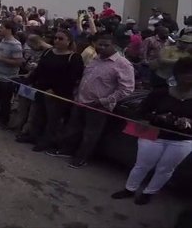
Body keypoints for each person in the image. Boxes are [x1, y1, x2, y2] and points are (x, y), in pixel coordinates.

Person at [111, 57, 192, 205]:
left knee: (166, 169)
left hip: (182, 140)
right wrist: (157, 117)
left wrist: (188, 122)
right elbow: (140, 112)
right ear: (177, 74)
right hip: (153, 134)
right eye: (185, 73)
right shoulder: (160, 93)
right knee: (142, 164)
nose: (189, 76)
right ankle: (130, 189)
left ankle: (149, 192)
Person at [47, 32, 135, 168]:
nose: (102, 47)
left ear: (114, 46)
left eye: (106, 45)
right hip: (81, 100)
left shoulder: (123, 64)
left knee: (90, 134)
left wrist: (104, 101)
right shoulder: (96, 59)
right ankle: (66, 150)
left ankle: (81, 158)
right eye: (100, 44)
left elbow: (127, 89)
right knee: (73, 128)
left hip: (98, 106)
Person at [29, 30, 85, 152]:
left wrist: (55, 90)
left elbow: (72, 78)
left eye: (61, 39)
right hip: (42, 89)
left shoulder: (74, 57)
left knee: (52, 120)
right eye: (55, 38)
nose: (57, 41)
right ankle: (33, 136)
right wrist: (31, 80)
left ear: (69, 41)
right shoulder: (48, 52)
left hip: (59, 94)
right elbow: (40, 69)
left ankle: (46, 141)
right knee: (38, 115)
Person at [0, 20, 24, 125]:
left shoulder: (16, 45)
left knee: (5, 101)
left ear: (9, 30)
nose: (0, 29)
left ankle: (4, 120)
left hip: (8, 78)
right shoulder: (2, 41)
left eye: (2, 27)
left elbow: (18, 62)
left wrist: (1, 59)